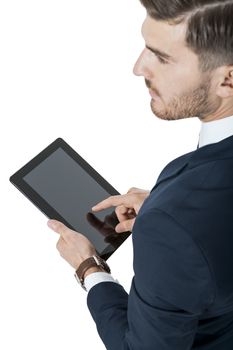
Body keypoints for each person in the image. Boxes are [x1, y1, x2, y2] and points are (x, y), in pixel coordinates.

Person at [47, 1, 233, 349]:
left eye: (161, 56)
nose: (138, 67)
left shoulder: (172, 222)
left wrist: (90, 268)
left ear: (228, 79)